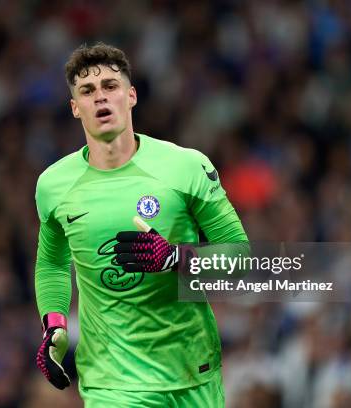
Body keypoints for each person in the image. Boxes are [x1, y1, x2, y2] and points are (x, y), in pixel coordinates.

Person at [34, 42, 248, 407]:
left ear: (130, 96)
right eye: (87, 91)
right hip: (112, 383)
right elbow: (53, 262)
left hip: (191, 374)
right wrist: (54, 323)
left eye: (110, 87)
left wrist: (176, 258)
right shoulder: (54, 185)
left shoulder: (185, 167)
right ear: (75, 108)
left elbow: (240, 259)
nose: (100, 97)